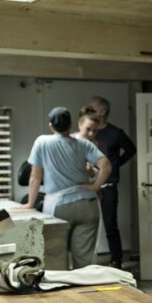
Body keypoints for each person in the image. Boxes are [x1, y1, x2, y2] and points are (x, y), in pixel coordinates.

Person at [24, 107, 111, 269]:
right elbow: (105, 165)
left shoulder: (42, 142)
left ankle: (61, 292)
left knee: (56, 257)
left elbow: (35, 177)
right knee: (84, 261)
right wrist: (94, 186)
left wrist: (30, 204)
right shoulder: (84, 144)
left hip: (59, 207)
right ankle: (84, 292)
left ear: (51, 126)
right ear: (71, 125)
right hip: (87, 204)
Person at [86, 96, 136, 269]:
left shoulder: (115, 133)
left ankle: (117, 260)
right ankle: (87, 261)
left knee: (110, 224)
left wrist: (116, 166)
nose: (88, 111)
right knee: (87, 223)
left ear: (102, 112)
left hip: (108, 186)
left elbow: (131, 149)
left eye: (92, 109)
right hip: (88, 185)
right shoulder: (89, 132)